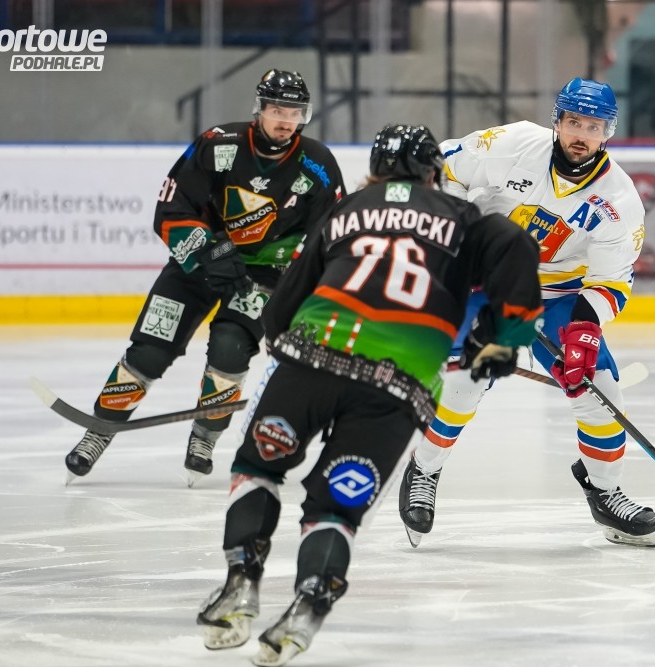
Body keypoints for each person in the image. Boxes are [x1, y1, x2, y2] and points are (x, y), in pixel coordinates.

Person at [195, 124, 543, 666]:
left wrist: (284, 348)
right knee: (337, 506)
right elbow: (516, 244)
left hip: (313, 357)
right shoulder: (461, 216)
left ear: (375, 170)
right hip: (399, 385)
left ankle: (240, 583)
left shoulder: (345, 209)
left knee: (258, 468)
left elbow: (283, 304)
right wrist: (505, 335)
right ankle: (309, 604)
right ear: (433, 173)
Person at [398, 78, 655, 549]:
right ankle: (424, 470)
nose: (582, 134)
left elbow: (611, 281)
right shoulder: (514, 143)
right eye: (574, 122)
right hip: (489, 282)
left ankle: (605, 491)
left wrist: (583, 332)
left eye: (594, 127)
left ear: (608, 133)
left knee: (600, 391)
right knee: (465, 381)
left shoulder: (620, 201)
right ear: (557, 121)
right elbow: (442, 169)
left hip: (559, 295)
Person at [63, 69, 344, 487]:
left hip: (261, 275)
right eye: (277, 110)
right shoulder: (219, 143)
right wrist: (210, 250)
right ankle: (98, 432)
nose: (286, 120)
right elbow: (172, 206)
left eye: (295, 112)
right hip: (198, 262)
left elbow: (329, 237)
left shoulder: (318, 164)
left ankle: (204, 439)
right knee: (149, 351)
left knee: (230, 350)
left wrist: (304, 301)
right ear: (260, 109)